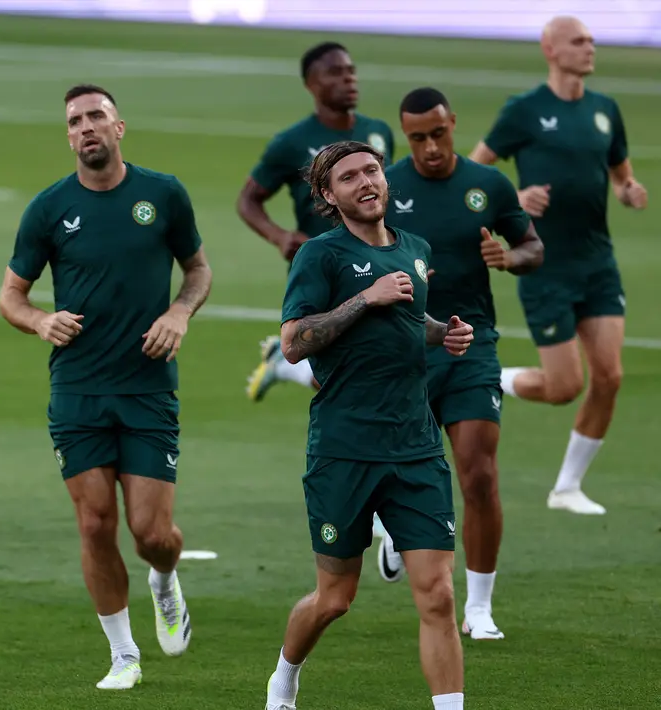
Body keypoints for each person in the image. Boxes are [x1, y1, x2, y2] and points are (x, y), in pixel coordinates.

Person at [0, 84, 212, 690]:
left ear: (120, 128)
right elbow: (10, 295)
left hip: (147, 389)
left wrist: (179, 314)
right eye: (75, 121)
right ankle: (123, 654)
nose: (86, 127)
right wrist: (40, 319)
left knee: (151, 534)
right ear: (68, 136)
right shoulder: (47, 210)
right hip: (78, 390)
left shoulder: (163, 194)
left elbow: (197, 270)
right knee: (94, 524)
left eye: (96, 116)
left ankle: (165, 580)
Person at [263, 140, 471, 710]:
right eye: (349, 177)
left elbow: (407, 314)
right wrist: (365, 298)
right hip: (344, 449)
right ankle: (285, 676)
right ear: (330, 196)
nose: (365, 181)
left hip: (416, 448)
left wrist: (440, 333)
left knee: (437, 595)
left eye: (371, 170)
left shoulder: (417, 249)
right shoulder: (320, 256)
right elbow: (294, 343)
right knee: (335, 598)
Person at [381, 87, 544, 640]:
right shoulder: (388, 188)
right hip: (406, 348)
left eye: (438, 133)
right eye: (417, 137)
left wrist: (510, 256)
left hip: (472, 343)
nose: (429, 146)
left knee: (477, 472)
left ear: (454, 123)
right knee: (398, 469)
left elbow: (532, 248)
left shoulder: (488, 185)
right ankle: (390, 530)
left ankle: (477, 607)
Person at [470, 15, 647, 515]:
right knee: (564, 387)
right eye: (578, 41)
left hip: (598, 263)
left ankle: (567, 487)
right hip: (542, 264)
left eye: (591, 40)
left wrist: (627, 191)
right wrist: (516, 196)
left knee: (609, 376)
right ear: (550, 49)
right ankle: (490, 379)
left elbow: (619, 173)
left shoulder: (605, 110)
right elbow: (474, 172)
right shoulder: (524, 111)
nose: (590, 48)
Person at [239, 41, 395, 402]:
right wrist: (278, 236)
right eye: (335, 73)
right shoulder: (292, 142)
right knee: (346, 378)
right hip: (324, 269)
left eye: (351, 71)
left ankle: (287, 365)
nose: (348, 79)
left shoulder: (378, 133)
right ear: (312, 84)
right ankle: (289, 363)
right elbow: (248, 200)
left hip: (376, 263)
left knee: (369, 368)